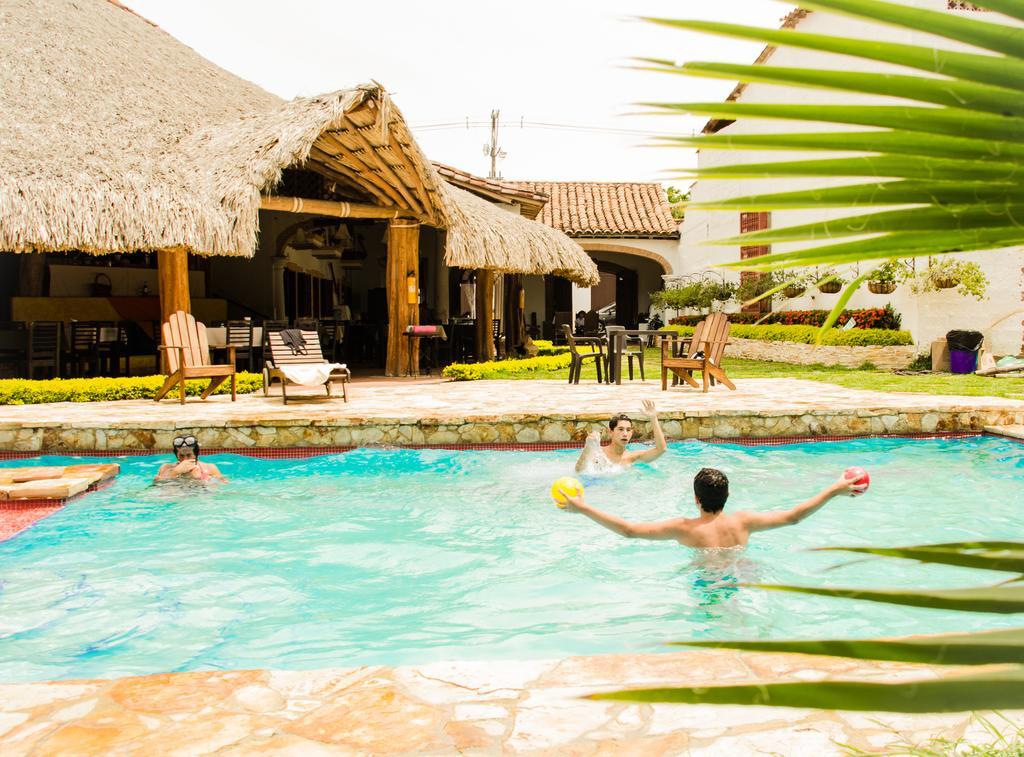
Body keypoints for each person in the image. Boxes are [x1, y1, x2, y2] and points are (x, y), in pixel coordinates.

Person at [563, 467, 866, 548]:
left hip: (706, 582)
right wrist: (835, 489)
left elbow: (629, 531)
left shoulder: (684, 529)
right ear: (728, 495)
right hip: (742, 571)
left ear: (696, 499)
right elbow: (794, 518)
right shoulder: (744, 522)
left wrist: (582, 508)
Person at [575, 400, 667, 472]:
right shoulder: (599, 453)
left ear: (631, 433)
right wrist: (588, 447)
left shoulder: (633, 457)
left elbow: (661, 449)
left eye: (628, 430)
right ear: (610, 432)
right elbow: (579, 471)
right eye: (620, 429)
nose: (625, 434)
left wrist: (653, 418)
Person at [153, 435, 227, 483]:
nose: (185, 460)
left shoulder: (210, 468)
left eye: (189, 455)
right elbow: (156, 490)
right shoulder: (166, 468)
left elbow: (221, 489)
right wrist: (175, 472)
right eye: (181, 456)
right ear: (176, 456)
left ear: (196, 455)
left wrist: (198, 479)